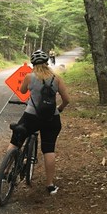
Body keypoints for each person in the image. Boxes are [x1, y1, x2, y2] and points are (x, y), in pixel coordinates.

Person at [8, 49, 70, 195]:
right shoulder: (57, 78)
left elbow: (23, 92)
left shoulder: (29, 77)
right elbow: (67, 100)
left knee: (15, 141)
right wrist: (59, 109)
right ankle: (50, 185)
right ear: (47, 63)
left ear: (33, 64)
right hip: (51, 118)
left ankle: (5, 171)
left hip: (31, 117)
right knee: (49, 150)